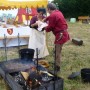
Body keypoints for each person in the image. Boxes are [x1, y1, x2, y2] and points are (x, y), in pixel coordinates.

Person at [43, 3, 70, 72]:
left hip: (61, 35)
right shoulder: (58, 12)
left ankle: (57, 68)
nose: (47, 11)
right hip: (64, 33)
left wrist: (43, 28)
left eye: (47, 9)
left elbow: (50, 27)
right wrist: (45, 19)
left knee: (57, 52)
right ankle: (56, 63)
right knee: (57, 50)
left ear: (49, 9)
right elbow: (51, 17)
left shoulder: (53, 15)